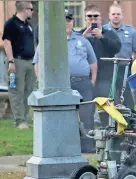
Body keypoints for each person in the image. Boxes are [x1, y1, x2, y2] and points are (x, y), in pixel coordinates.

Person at [33, 11, 98, 152]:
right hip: (61, 84)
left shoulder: (82, 40)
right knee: (64, 115)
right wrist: (40, 81)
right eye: (63, 20)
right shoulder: (49, 40)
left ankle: (87, 146)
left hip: (83, 83)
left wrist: (92, 80)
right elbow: (37, 62)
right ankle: (66, 147)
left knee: (86, 114)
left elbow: (93, 62)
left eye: (68, 20)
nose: (66, 23)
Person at [79, 4, 121, 127]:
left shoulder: (109, 33)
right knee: (86, 111)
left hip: (104, 78)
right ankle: (88, 142)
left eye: (95, 17)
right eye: (89, 17)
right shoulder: (80, 36)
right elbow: (72, 51)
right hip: (86, 79)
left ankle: (108, 137)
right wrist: (83, 39)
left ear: (100, 18)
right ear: (85, 18)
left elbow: (117, 47)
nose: (93, 20)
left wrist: (102, 37)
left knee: (106, 109)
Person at [2, 1, 36, 129]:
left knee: (28, 91)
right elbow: (7, 42)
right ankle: (19, 121)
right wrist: (11, 61)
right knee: (16, 91)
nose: (32, 12)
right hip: (17, 61)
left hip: (29, 62)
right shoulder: (11, 24)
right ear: (24, 10)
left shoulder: (28, 25)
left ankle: (25, 119)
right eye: (31, 9)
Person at [103, 3, 136, 108]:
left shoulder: (131, 31)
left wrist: (135, 68)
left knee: (127, 97)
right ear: (109, 15)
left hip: (125, 68)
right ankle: (110, 122)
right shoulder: (103, 31)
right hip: (108, 69)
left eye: (118, 14)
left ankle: (130, 121)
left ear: (122, 15)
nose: (116, 16)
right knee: (109, 97)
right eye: (113, 14)